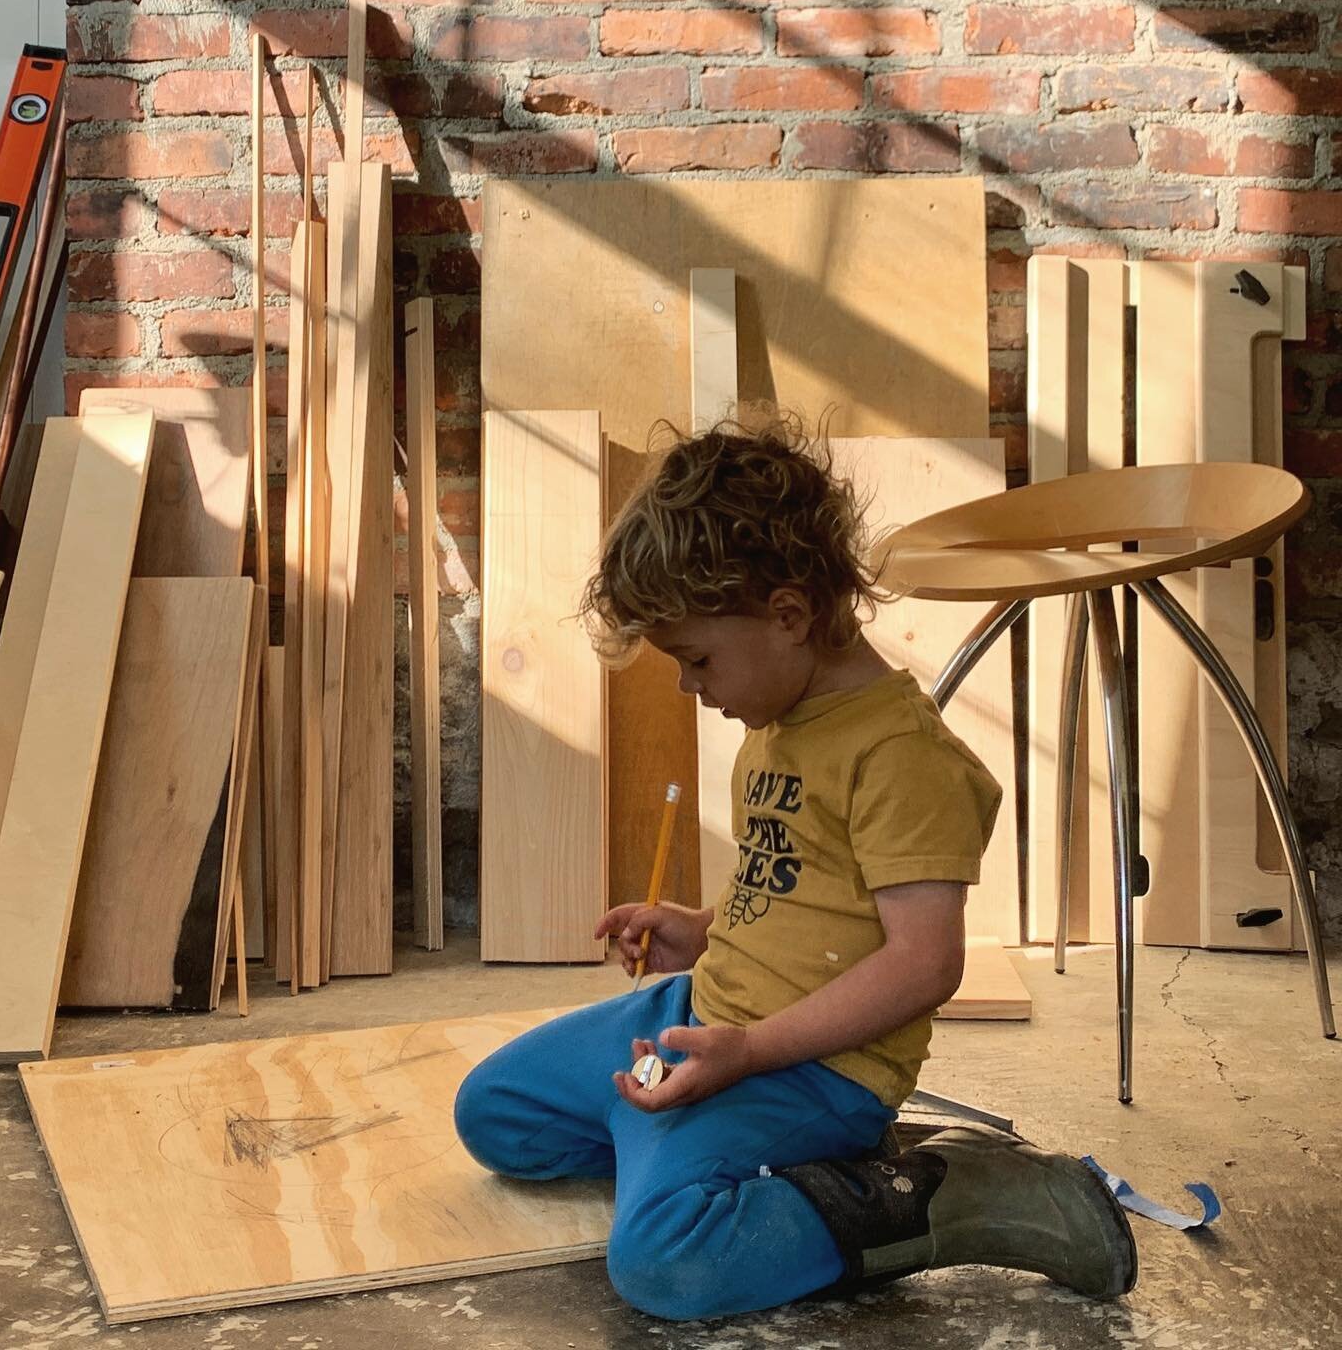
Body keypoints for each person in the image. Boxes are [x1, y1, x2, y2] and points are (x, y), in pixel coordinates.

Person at [455, 416, 1136, 1321]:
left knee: (665, 1266)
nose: (692, 688)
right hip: (708, 1022)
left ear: (786, 614)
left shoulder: (902, 757)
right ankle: (710, 1152)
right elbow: (793, 896)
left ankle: (939, 1195)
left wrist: (748, 1055)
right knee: (493, 1112)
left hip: (815, 1069)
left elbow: (924, 963)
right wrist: (699, 932)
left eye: (696, 659)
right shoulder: (777, 728)